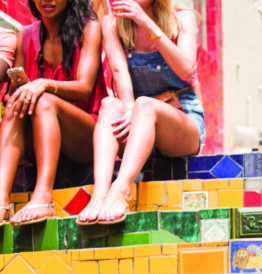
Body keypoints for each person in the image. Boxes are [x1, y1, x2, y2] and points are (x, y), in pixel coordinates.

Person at [76, 0, 204, 226]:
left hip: (180, 116)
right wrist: (127, 107)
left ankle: (122, 189)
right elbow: (118, 71)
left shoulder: (183, 17)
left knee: (145, 104)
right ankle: (99, 194)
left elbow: (186, 69)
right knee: (109, 105)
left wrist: (145, 22)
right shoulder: (112, 23)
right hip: (138, 120)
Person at [0, 0, 106, 226]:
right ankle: (1, 200)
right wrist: (23, 92)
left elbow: (85, 88)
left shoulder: (89, 29)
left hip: (85, 136)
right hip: (39, 133)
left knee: (44, 100)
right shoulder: (26, 36)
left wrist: (44, 85)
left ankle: (43, 196)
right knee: (15, 104)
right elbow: (10, 94)